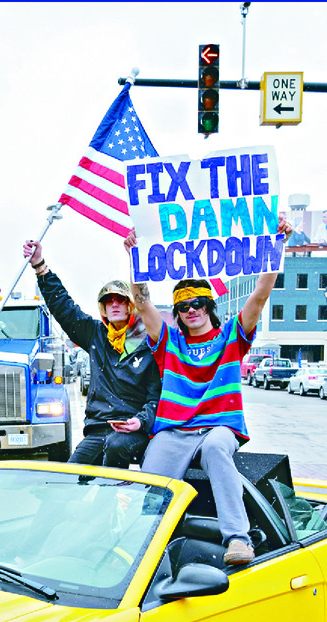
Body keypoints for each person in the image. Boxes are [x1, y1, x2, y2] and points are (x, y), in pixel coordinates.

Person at [124, 216, 293, 566]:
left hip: (219, 426)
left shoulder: (231, 335)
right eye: (183, 306)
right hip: (174, 430)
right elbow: (141, 304)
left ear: (209, 306)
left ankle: (239, 539)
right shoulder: (168, 341)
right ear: (177, 312)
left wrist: (278, 245)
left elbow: (260, 296)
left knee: (217, 449)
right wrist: (136, 259)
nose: (191, 310)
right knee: (150, 477)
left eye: (198, 303)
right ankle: (142, 547)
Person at [22, 239, 160, 468]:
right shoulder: (95, 334)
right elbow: (64, 308)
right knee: (70, 475)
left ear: (130, 305)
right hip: (98, 429)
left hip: (133, 430)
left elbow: (156, 396)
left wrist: (141, 420)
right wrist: (40, 267)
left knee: (115, 447)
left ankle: (112, 490)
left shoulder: (149, 342)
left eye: (120, 299)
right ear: (103, 308)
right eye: (108, 300)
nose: (114, 304)